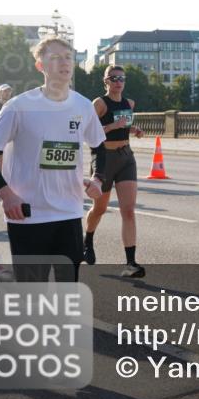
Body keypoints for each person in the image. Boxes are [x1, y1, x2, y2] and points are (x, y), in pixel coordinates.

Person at [0, 36, 107, 282]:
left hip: (69, 211)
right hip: (27, 214)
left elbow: (99, 147)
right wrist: (6, 195)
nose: (64, 62)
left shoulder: (83, 106)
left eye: (68, 57)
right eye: (55, 58)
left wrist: (97, 178)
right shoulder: (19, 106)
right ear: (40, 66)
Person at [82, 65, 146, 278]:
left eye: (122, 78)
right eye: (114, 78)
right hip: (104, 158)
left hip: (126, 157)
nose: (119, 82)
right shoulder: (99, 104)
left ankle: (131, 263)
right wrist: (111, 126)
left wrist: (133, 130)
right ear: (106, 81)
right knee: (99, 208)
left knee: (128, 210)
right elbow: (87, 132)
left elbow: (124, 126)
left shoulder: (129, 103)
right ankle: (87, 241)